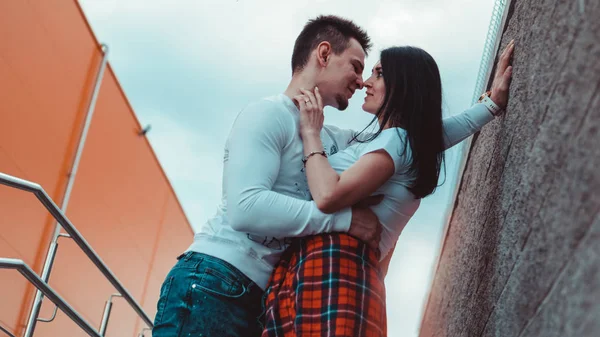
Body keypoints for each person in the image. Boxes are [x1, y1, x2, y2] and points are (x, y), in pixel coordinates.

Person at [261, 42, 515, 337]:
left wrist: (310, 133)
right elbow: (445, 131)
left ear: (405, 84)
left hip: (334, 264)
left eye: (379, 74)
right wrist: (491, 104)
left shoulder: (396, 140)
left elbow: (328, 195)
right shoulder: (401, 142)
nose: (366, 82)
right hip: (331, 267)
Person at [152, 15, 382, 337]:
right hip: (214, 280)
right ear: (325, 54)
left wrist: (480, 113)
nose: (360, 81)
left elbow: (401, 140)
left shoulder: (330, 139)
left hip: (262, 300)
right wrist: (344, 220)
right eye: (356, 67)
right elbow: (246, 207)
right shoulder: (268, 113)